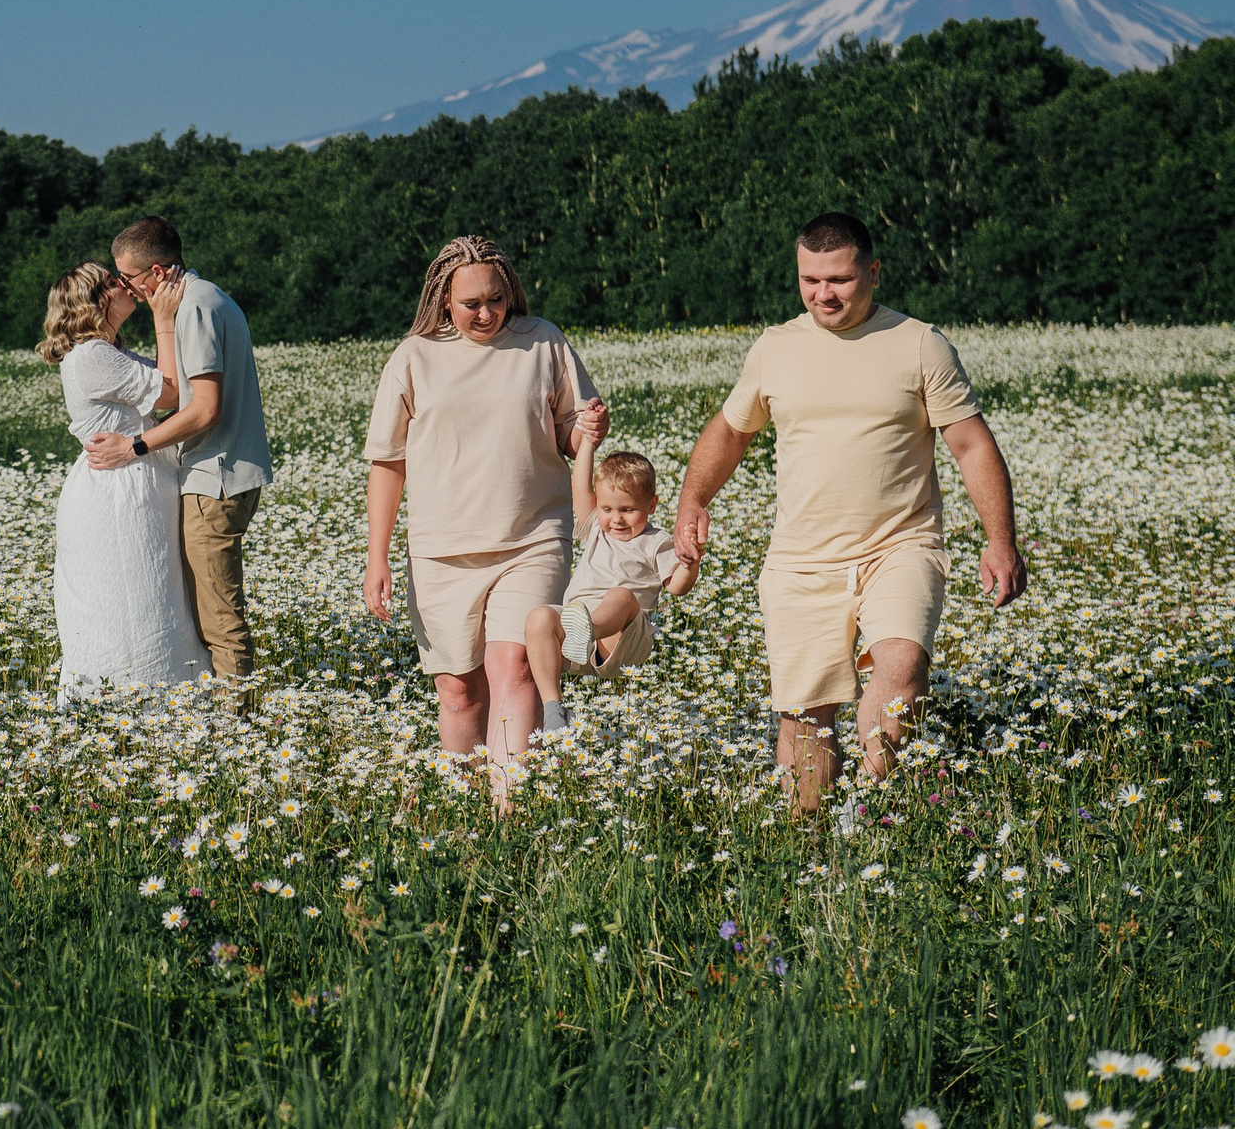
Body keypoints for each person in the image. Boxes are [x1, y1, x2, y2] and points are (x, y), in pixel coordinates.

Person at [674, 212, 1024, 810]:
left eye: (838, 279)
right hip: (801, 560)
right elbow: (731, 432)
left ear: (873, 272)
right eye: (810, 280)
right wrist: (693, 499)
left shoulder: (920, 344)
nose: (823, 294)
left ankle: (868, 805)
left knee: (902, 665)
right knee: (806, 720)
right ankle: (811, 843)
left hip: (900, 545)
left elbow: (970, 444)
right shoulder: (776, 348)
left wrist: (1001, 539)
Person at [363, 236, 602, 776]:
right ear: (443, 300)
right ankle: (464, 812)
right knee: (457, 691)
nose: (487, 312)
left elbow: (569, 430)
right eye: (472, 304)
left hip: (533, 537)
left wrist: (586, 431)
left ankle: (510, 810)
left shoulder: (544, 342)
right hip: (441, 550)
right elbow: (387, 462)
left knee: (515, 667)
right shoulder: (413, 356)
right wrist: (376, 557)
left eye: (496, 298)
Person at [86, 217, 275, 685]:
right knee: (210, 610)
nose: (126, 287)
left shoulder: (193, 307)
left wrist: (135, 447)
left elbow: (204, 409)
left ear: (156, 272)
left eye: (128, 278)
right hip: (223, 471)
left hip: (217, 475)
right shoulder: (207, 297)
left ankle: (239, 732)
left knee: (218, 619)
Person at [41, 262, 213, 697]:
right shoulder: (92, 356)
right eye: (113, 281)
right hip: (117, 494)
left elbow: (163, 387)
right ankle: (129, 701)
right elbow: (171, 392)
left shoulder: (107, 353)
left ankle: (161, 699)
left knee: (155, 592)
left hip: (133, 482)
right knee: (133, 595)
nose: (125, 285)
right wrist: (163, 320)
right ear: (96, 300)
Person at [522, 412, 694, 732]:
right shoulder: (595, 531)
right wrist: (587, 440)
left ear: (652, 505)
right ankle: (553, 711)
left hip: (624, 638)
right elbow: (579, 483)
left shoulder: (657, 541)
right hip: (579, 647)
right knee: (539, 618)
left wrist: (690, 560)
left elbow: (678, 587)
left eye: (628, 510)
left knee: (621, 595)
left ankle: (587, 627)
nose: (616, 519)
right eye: (607, 509)